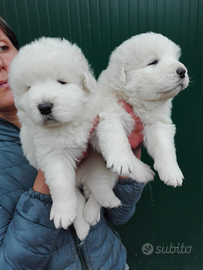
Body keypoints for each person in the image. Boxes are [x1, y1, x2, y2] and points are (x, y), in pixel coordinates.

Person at [0, 16, 145, 270]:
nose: (0, 64)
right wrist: (52, 184)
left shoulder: (91, 102)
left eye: (3, 48)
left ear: (20, 53)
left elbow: (121, 214)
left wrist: (129, 149)